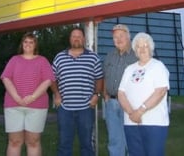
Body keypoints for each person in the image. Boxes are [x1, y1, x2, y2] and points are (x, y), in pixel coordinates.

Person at [0, 32, 56, 156]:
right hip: (13, 105)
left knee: (33, 141)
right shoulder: (14, 60)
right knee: (14, 141)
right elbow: (6, 78)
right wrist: (16, 97)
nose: (28, 44)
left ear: (35, 45)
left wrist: (32, 97)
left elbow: (48, 80)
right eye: (25, 41)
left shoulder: (42, 61)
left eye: (31, 42)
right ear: (22, 44)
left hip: (37, 106)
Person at [52, 26, 103, 156]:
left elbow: (99, 78)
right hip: (65, 108)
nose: (76, 39)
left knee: (86, 144)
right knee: (64, 143)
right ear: (70, 39)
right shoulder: (59, 57)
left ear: (84, 39)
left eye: (79, 36)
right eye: (74, 36)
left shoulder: (93, 57)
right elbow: (52, 78)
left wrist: (96, 95)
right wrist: (57, 94)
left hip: (86, 108)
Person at [118, 32, 170, 156]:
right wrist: (132, 113)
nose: (142, 49)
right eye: (139, 46)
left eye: (145, 46)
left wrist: (140, 111)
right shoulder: (129, 69)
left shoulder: (158, 66)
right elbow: (121, 93)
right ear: (135, 49)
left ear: (151, 48)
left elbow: (160, 92)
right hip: (131, 122)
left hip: (154, 123)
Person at [103, 24, 137, 156]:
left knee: (131, 138)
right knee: (114, 140)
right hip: (111, 103)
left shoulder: (136, 56)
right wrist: (105, 95)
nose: (118, 39)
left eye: (121, 36)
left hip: (130, 103)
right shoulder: (110, 56)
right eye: (115, 37)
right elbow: (106, 75)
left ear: (129, 37)